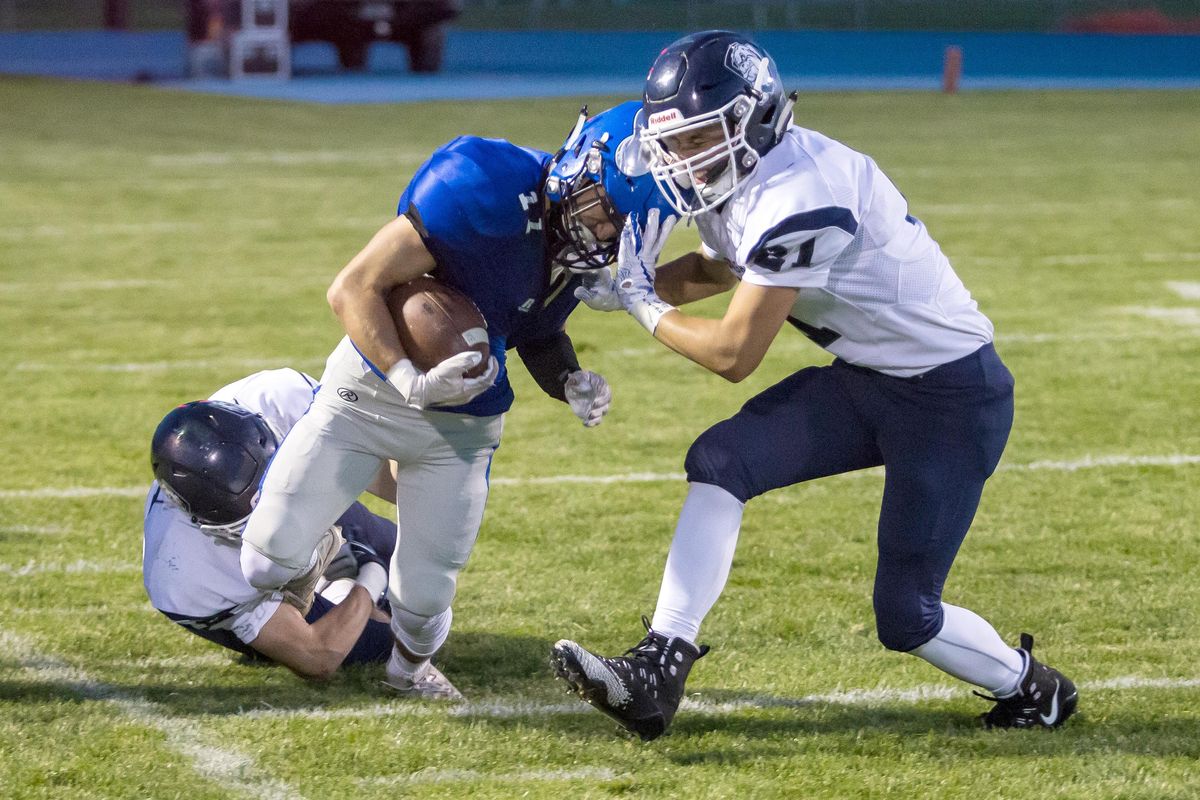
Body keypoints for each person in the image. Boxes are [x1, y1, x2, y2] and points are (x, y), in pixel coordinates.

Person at [551, 31, 1077, 739]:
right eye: (675, 141)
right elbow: (720, 267)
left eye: (700, 137)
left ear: (753, 120)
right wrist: (629, 287)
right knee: (721, 460)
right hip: (871, 379)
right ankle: (657, 668)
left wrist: (646, 303)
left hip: (949, 400)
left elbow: (736, 352)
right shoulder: (744, 175)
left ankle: (1035, 690)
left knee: (906, 616)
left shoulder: (804, 194)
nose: (682, 159)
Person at [237, 102, 673, 700]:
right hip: (367, 392)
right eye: (608, 214)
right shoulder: (482, 186)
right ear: (581, 169)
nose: (610, 236)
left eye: (629, 225)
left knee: (424, 592)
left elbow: (532, 329)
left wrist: (568, 378)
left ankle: (409, 672)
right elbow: (354, 286)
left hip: (463, 426)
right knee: (263, 562)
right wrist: (405, 376)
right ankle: (331, 547)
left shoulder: (580, 248)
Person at [144, 368, 399, 680]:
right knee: (382, 643)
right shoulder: (188, 573)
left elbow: (381, 459)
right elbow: (319, 656)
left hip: (299, 494)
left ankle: (335, 574)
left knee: (400, 553)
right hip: (239, 578)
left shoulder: (282, 401)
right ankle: (328, 585)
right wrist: (370, 582)